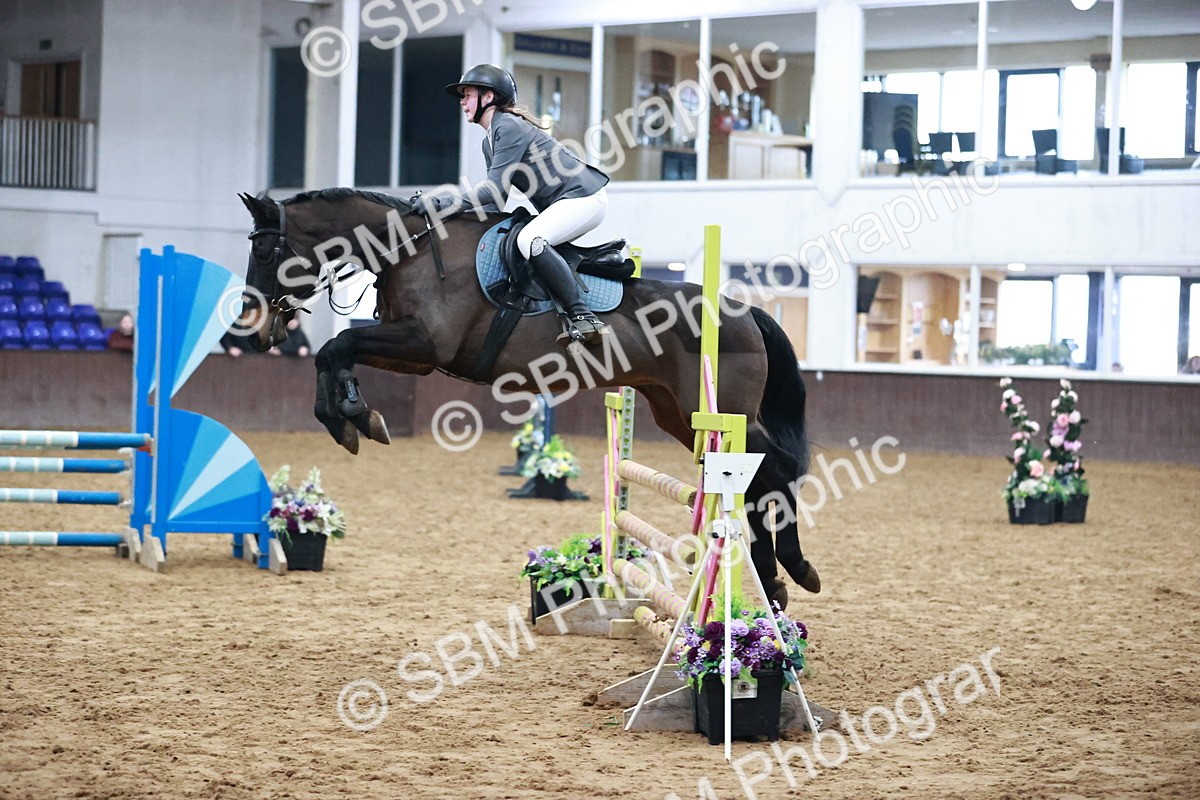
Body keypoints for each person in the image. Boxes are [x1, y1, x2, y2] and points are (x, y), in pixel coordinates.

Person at [414, 64, 611, 346]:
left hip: (585, 197)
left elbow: (491, 189)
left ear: (488, 97)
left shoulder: (507, 125)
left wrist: (441, 204)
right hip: (569, 201)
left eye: (467, 94)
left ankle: (583, 316)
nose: (462, 101)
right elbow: (495, 202)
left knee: (530, 239)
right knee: (518, 240)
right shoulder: (489, 141)